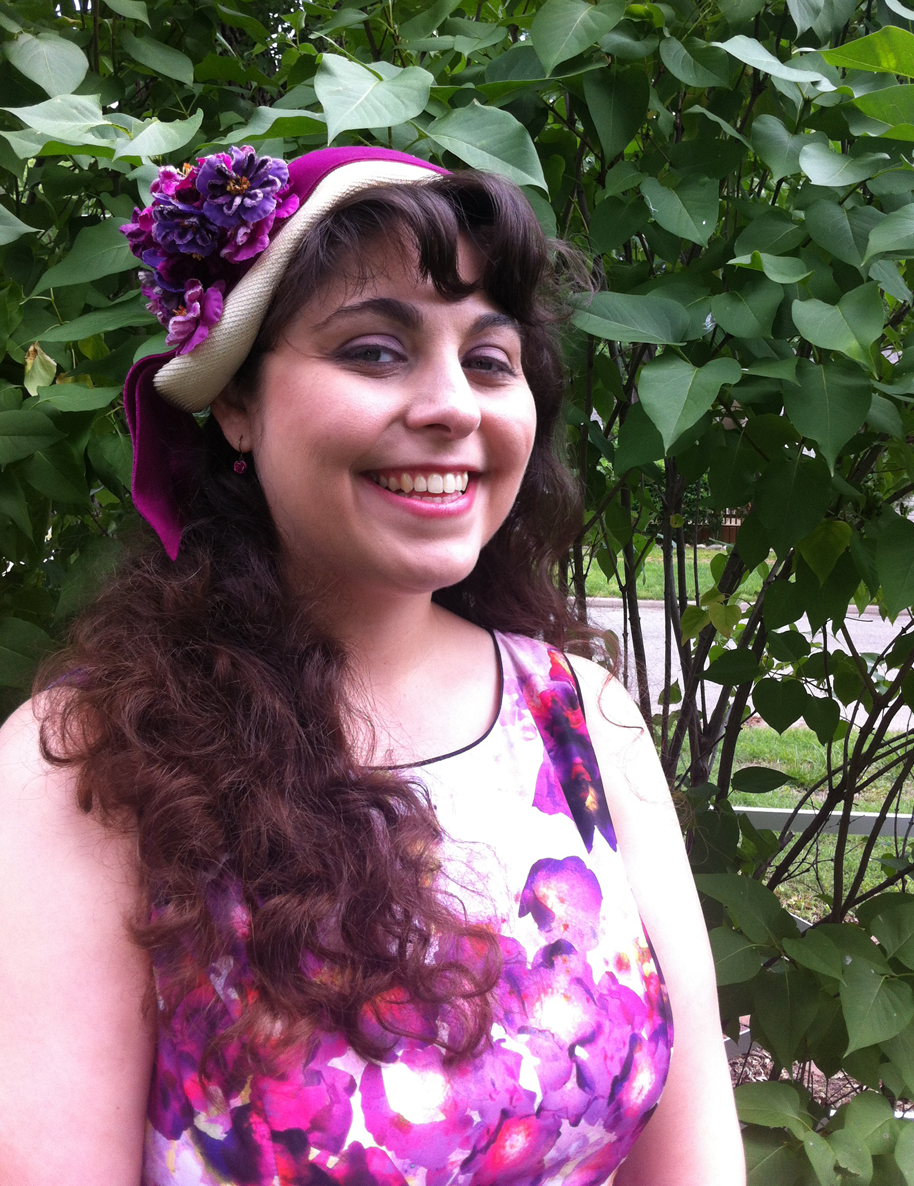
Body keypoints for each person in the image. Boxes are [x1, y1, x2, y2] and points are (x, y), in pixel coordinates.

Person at [0, 145, 744, 1186]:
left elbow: (694, 1158)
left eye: (490, 360)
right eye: (375, 351)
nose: (454, 406)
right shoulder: (88, 764)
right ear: (235, 404)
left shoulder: (581, 720)